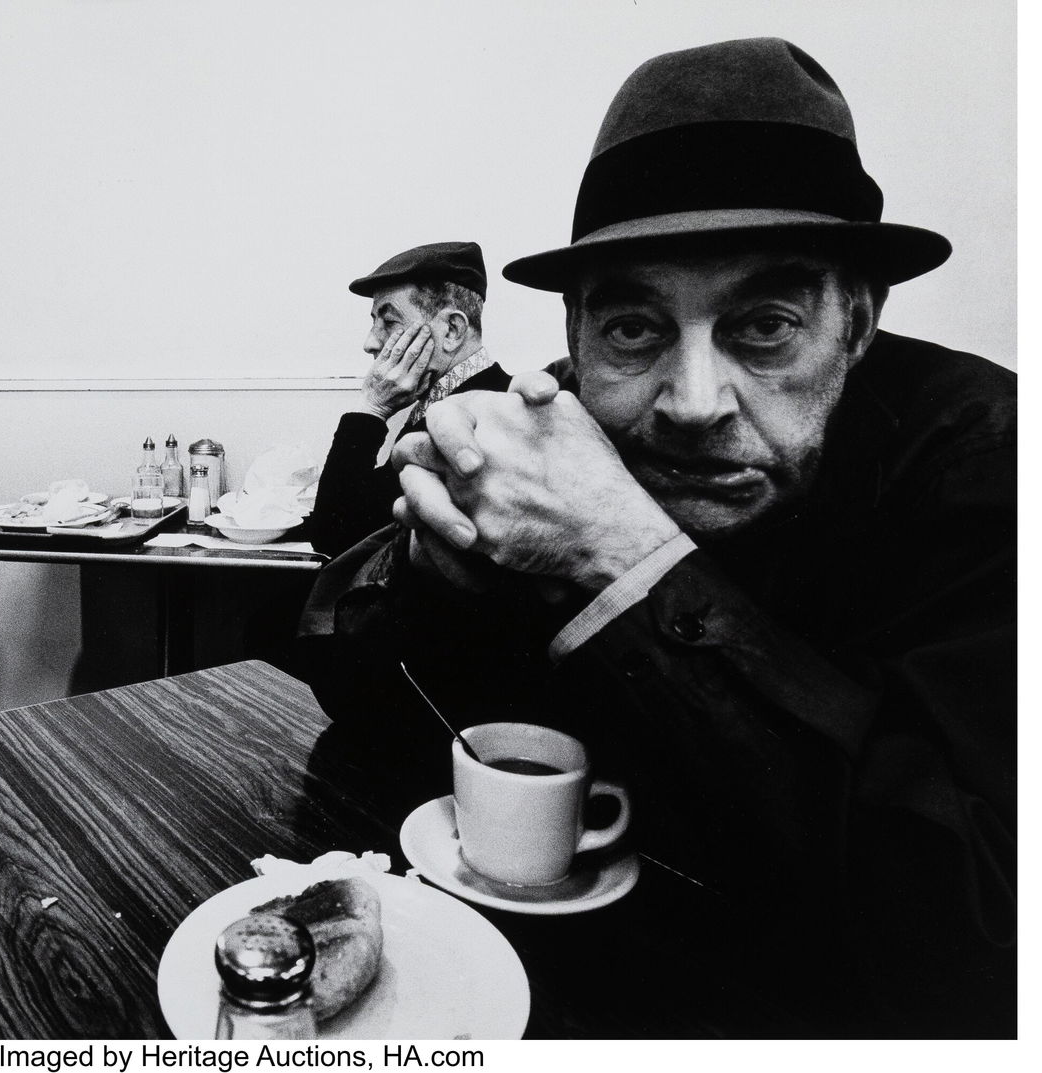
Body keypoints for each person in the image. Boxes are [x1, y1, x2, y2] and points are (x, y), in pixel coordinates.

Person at [299, 38, 1014, 1035]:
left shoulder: (985, 464)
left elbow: (969, 926)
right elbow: (355, 700)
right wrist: (432, 574)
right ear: (576, 329)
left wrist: (630, 560)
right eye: (632, 328)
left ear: (856, 320)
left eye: (763, 325)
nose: (689, 401)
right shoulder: (549, 426)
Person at [306, 242, 508, 558]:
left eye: (389, 321)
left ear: (452, 330)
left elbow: (334, 534)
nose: (370, 342)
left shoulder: (479, 415)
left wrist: (372, 408)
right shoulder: (439, 399)